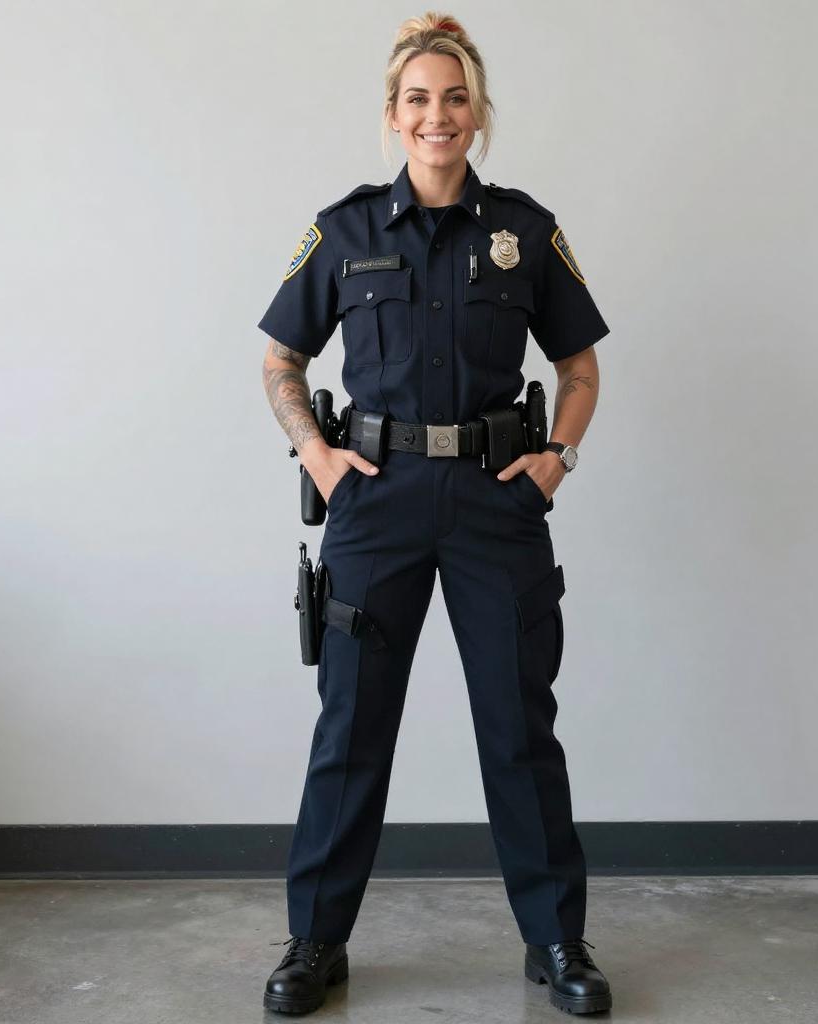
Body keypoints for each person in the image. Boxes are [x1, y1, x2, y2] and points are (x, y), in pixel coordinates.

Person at [258, 11, 612, 1016]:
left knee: (517, 726)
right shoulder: (344, 232)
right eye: (418, 98)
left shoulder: (525, 232)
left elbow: (578, 367)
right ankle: (315, 941)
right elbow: (281, 359)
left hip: (497, 503)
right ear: (392, 114)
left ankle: (556, 944)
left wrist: (557, 459)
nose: (437, 115)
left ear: (478, 112)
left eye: (454, 97)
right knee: (351, 726)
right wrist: (319, 457)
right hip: (376, 503)